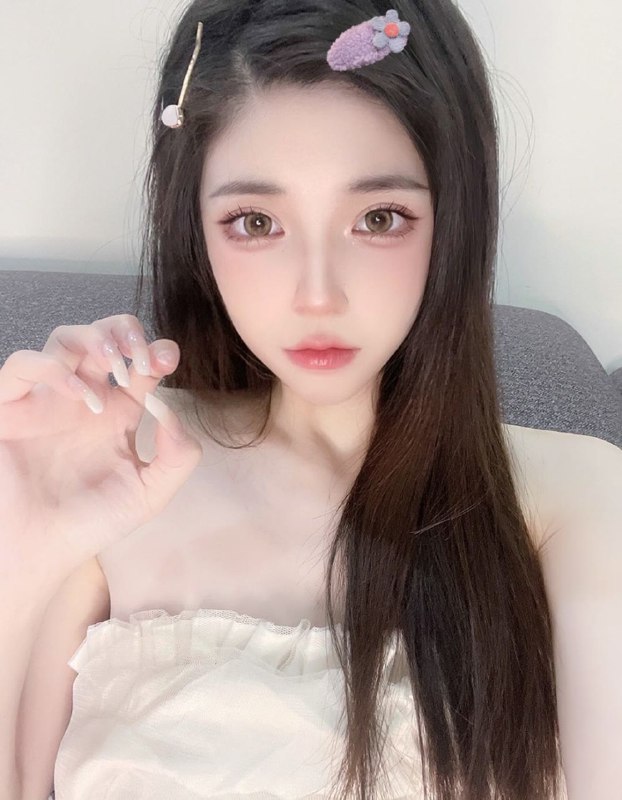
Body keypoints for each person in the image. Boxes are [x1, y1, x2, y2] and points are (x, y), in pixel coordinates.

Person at [3, 1, 621, 798]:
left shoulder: (573, 494)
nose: (318, 294)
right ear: (196, 228)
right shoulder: (114, 462)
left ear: (453, 223)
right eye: (257, 221)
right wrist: (21, 538)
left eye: (379, 218)